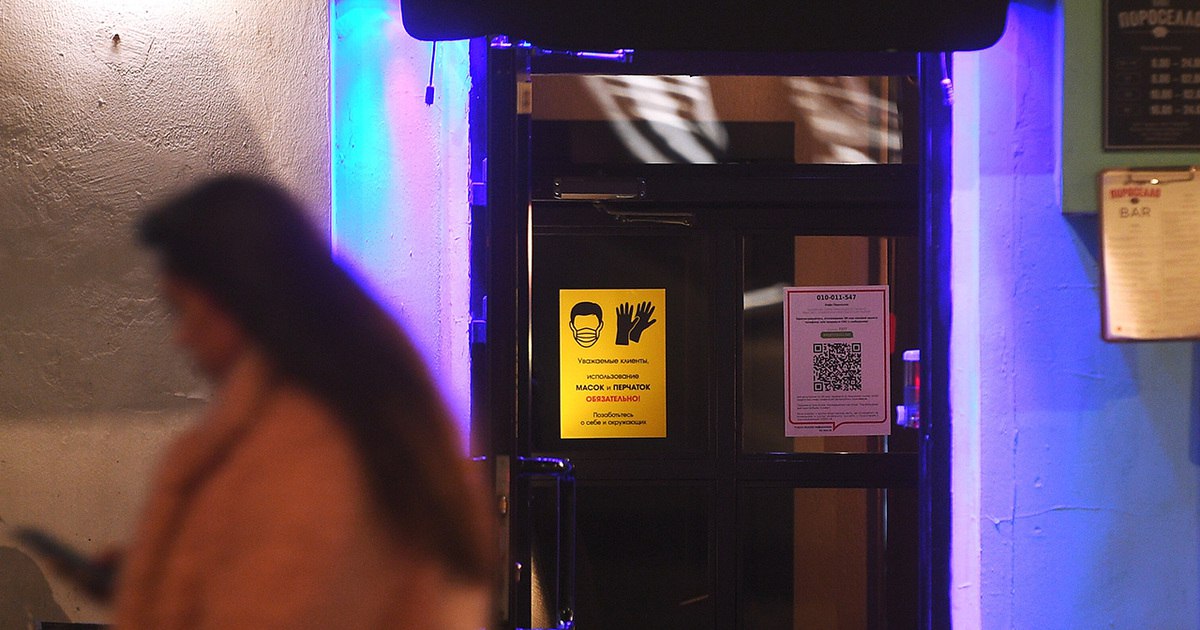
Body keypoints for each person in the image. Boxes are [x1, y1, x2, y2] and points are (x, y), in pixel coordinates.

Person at [113, 175, 494, 628]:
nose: (181, 337)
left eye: (182, 309)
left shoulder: (303, 449)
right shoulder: (353, 415)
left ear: (234, 296)